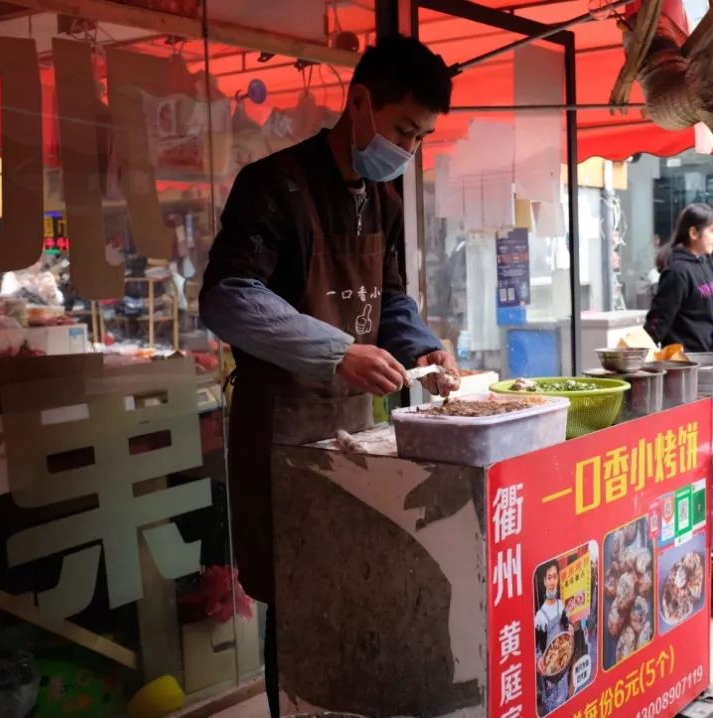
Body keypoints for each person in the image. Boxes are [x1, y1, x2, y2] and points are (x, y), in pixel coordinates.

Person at [199, 35, 460, 716]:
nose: (410, 148)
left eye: (422, 136)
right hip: (279, 427)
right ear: (361, 102)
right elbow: (228, 296)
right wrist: (336, 349)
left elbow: (391, 298)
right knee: (294, 593)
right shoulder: (273, 185)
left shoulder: (385, 198)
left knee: (350, 580)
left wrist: (425, 350)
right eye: (405, 129)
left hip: (350, 428)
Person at [644, 203, 713, 352]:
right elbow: (659, 320)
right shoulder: (677, 271)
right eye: (712, 231)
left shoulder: (704, 262)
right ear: (694, 234)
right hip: (689, 364)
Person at [535, 561, 573, 715]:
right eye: (549, 578)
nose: (552, 582)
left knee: (564, 698)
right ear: (544, 581)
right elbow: (536, 646)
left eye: (555, 577)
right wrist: (538, 659)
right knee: (551, 704)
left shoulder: (560, 605)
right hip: (549, 668)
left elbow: (565, 621)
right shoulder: (540, 617)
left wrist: (568, 624)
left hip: (562, 662)